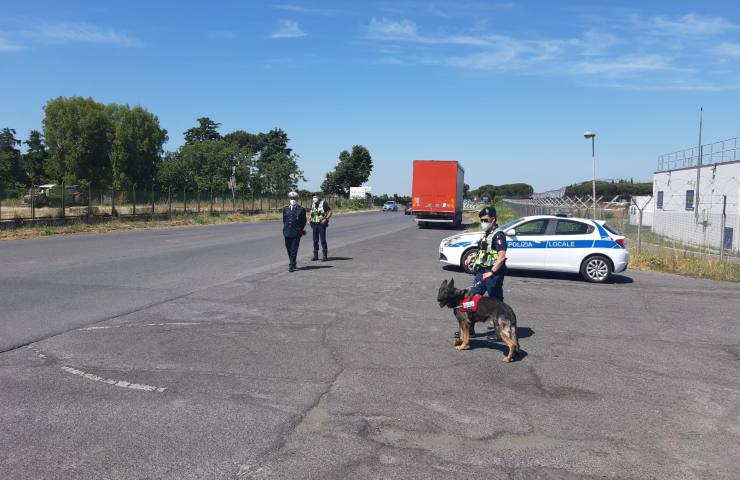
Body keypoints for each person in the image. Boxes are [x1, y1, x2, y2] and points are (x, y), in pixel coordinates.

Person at [468, 206, 508, 301]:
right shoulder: (488, 233)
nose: (483, 223)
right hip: (481, 271)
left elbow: (501, 257)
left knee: (495, 301)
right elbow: (485, 251)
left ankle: (500, 316)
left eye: (485, 220)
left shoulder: (498, 235)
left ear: (493, 219)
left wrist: (492, 272)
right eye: (481, 221)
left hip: (493, 274)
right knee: (472, 297)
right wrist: (472, 256)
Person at [282, 191, 307, 272]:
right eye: (291, 198)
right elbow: (284, 220)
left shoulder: (301, 209)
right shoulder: (285, 209)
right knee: (288, 248)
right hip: (287, 232)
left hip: (296, 232)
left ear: (297, 199)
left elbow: (304, 221)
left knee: (294, 249)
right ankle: (293, 261)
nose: (292, 200)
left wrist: (300, 229)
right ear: (289, 199)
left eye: (294, 198)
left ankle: (291, 265)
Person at [309, 192, 333, 261]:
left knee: (323, 240)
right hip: (314, 224)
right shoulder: (313, 204)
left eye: (316, 197)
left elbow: (330, 212)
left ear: (319, 197)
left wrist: (326, 219)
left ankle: (325, 256)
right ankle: (315, 256)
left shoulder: (323, 203)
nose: (314, 198)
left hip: (321, 224)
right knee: (315, 240)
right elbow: (311, 212)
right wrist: (309, 219)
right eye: (313, 197)